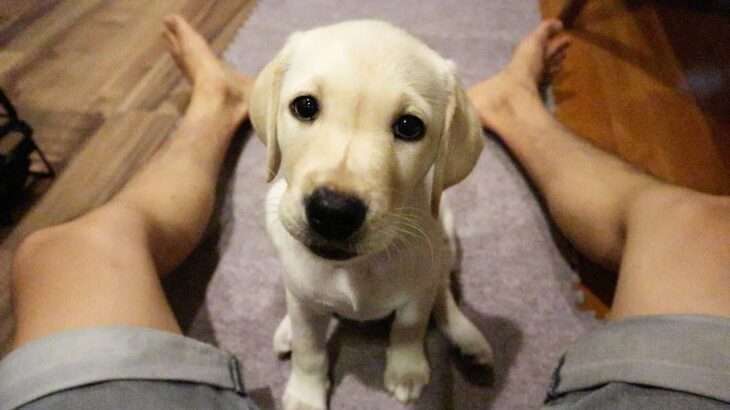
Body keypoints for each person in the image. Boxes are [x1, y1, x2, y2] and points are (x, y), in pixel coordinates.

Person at [0, 15, 728, 410]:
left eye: (407, 127)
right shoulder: (285, 198)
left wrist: (420, 332)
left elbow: (419, 272)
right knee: (306, 291)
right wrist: (309, 369)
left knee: (421, 280)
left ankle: (438, 311)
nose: (338, 189)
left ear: (447, 147)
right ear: (276, 114)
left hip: (415, 263)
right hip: (324, 285)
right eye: (307, 109)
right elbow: (299, 283)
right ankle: (224, 101)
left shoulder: (428, 205)